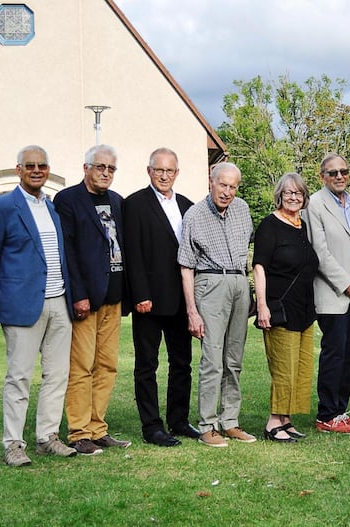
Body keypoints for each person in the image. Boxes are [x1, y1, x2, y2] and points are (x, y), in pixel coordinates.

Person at [0, 145, 77, 466]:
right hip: (22, 307)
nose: (37, 170)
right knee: (19, 377)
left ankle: (47, 437)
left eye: (42, 166)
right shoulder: (2, 207)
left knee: (57, 375)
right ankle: (13, 444)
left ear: (48, 170)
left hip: (59, 303)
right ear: (18, 170)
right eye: (30, 165)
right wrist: (2, 295)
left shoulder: (51, 207)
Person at [53, 144, 131, 454]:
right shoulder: (68, 200)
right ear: (86, 168)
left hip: (114, 297)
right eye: (100, 167)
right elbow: (67, 251)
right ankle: (79, 431)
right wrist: (79, 294)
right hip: (86, 299)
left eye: (111, 168)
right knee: (81, 366)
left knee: (107, 366)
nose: (106, 173)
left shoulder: (117, 202)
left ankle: (98, 428)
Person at [123, 147, 200, 447]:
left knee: (182, 363)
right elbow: (133, 252)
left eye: (170, 171)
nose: (165, 176)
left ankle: (179, 420)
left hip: (183, 299)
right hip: (150, 300)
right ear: (149, 171)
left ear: (177, 173)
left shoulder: (187, 205)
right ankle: (152, 426)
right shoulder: (135, 204)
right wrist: (140, 294)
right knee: (147, 365)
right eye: (159, 170)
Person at [177, 162, 256, 447]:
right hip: (210, 283)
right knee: (212, 359)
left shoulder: (242, 209)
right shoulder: (194, 215)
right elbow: (186, 266)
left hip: (238, 282)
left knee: (233, 360)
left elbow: (248, 249)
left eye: (233, 186)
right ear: (211, 182)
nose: (227, 192)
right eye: (223, 185)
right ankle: (207, 425)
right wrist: (191, 311)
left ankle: (230, 421)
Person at [253, 173, 319, 443]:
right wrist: (262, 306)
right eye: (289, 193)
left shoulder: (302, 225)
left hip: (304, 308)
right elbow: (259, 266)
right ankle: (273, 422)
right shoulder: (270, 225)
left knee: (301, 366)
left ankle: (286, 419)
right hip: (279, 307)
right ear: (279, 195)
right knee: (283, 366)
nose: (294, 197)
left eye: (299, 193)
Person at [306, 153, 350, 434]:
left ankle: (340, 412)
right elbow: (319, 253)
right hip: (335, 291)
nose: (340, 176)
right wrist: (346, 283)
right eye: (333, 173)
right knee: (335, 353)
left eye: (344, 171)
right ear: (322, 177)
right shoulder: (315, 205)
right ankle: (326, 414)